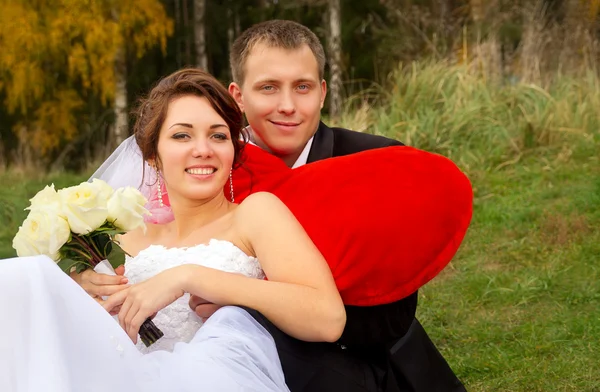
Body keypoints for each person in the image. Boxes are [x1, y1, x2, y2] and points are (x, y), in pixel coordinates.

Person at [82, 20, 468, 392]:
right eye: (268, 87)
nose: (287, 105)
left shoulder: (379, 165)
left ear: (322, 92)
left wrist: (246, 314)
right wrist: (85, 279)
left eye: (302, 87)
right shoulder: (201, 166)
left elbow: (382, 306)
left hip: (351, 365)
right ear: (238, 96)